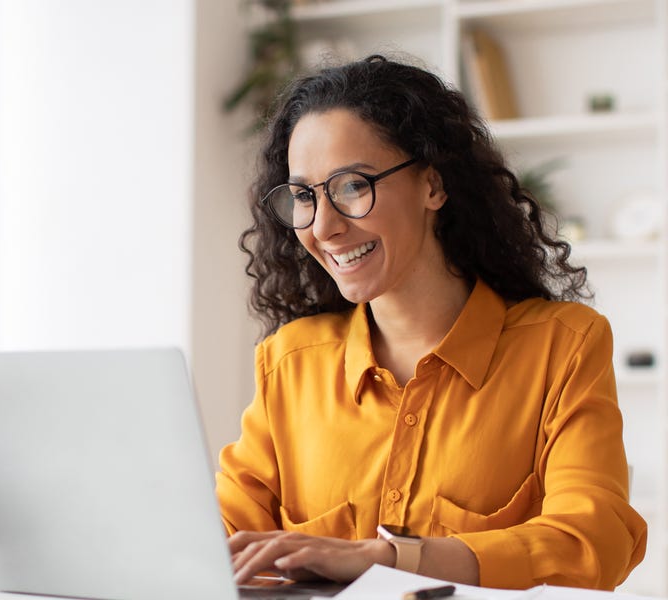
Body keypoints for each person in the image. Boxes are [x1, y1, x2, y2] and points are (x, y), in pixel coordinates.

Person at [215, 55, 647, 590]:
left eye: (352, 186)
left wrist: (390, 558)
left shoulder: (563, 346)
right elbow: (217, 544)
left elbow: (592, 542)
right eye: (304, 196)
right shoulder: (290, 362)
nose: (323, 227)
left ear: (433, 186)